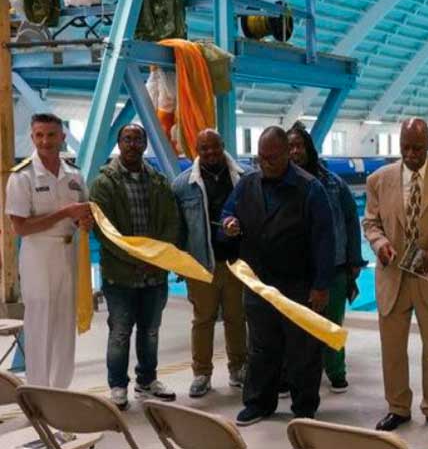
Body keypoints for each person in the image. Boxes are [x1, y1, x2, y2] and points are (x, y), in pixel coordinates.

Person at [221, 127, 334, 426]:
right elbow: (227, 211)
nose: (265, 163)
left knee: (302, 349)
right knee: (261, 347)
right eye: (260, 158)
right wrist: (229, 222)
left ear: (287, 154)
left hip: (298, 283)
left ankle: (304, 406)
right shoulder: (247, 184)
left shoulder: (310, 189)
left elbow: (325, 241)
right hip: (258, 282)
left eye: (272, 158)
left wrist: (321, 286)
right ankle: (259, 402)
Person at [364, 118, 428, 433]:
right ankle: (398, 407)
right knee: (392, 349)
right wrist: (380, 245)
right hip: (393, 276)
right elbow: (370, 222)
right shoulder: (378, 180)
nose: (410, 154)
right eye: (405, 147)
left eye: (417, 148)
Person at [89, 123, 181, 409]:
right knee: (120, 333)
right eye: (127, 139)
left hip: (154, 275)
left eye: (137, 139)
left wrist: (156, 260)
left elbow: (171, 222)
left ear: (144, 145)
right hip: (120, 276)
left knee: (150, 331)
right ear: (119, 144)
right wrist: (137, 261)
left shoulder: (159, 182)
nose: (132, 144)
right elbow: (105, 232)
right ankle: (118, 385)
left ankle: (147, 381)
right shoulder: (104, 184)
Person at [5, 113, 92, 388]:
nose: (45, 141)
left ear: (62, 137)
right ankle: (39, 394)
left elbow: (84, 213)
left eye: (51, 135)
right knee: (40, 325)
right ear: (32, 137)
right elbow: (21, 228)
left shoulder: (74, 175)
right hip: (38, 255)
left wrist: (84, 219)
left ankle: (61, 395)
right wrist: (65, 212)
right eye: (39, 135)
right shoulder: (22, 177)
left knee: (65, 326)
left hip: (68, 254)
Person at [286, 123, 365, 393]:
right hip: (296, 269)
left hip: (334, 265)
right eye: (290, 146)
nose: (295, 151)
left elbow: (351, 221)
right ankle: (292, 374)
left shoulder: (333, 183)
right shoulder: (280, 183)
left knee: (332, 323)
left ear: (309, 149)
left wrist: (354, 259)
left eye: (299, 146)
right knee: (295, 327)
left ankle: (335, 371)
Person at [172, 129, 247, 398]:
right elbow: (179, 228)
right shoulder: (183, 185)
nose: (210, 153)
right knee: (202, 320)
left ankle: (238, 368)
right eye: (204, 149)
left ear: (223, 145)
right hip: (201, 264)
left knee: (236, 318)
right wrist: (181, 263)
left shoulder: (245, 178)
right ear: (196, 150)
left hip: (236, 262)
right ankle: (201, 373)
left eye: (215, 147)